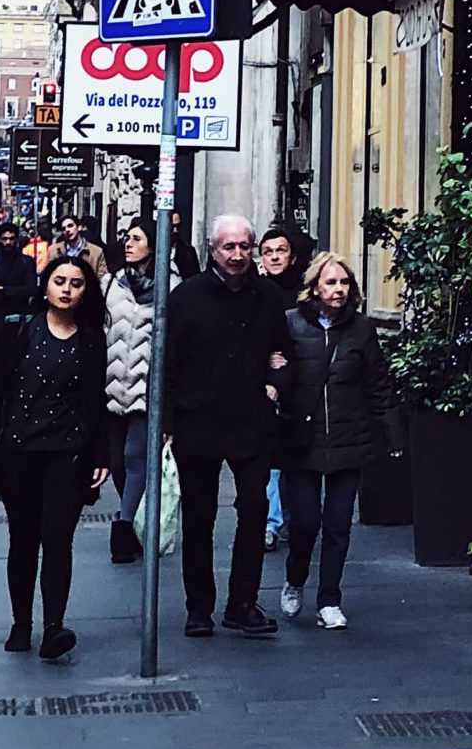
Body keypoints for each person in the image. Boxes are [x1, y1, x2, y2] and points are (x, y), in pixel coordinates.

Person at [0, 259, 110, 659]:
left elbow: (95, 402)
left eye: (76, 283)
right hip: (17, 453)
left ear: (85, 291)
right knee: (23, 541)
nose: (67, 289)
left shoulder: (91, 341)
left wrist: (101, 454)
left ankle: (54, 626)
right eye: (60, 282)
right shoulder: (20, 329)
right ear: (47, 287)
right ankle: (22, 624)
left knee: (58, 539)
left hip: (67, 455)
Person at [162, 214, 290, 638]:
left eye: (243, 247)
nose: (237, 255)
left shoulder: (269, 296)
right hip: (197, 421)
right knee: (198, 516)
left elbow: (284, 352)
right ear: (212, 249)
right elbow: (168, 362)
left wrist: (274, 384)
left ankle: (242, 602)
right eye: (228, 247)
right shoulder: (186, 297)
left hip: (251, 421)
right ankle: (199, 606)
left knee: (254, 509)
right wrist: (166, 421)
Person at [277, 255, 403, 629]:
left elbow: (378, 383)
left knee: (338, 524)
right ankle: (295, 579)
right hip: (303, 440)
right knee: (304, 522)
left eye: (344, 283)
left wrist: (393, 433)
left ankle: (329, 599)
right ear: (315, 286)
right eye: (331, 283)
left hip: (350, 438)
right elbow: (276, 374)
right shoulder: (292, 324)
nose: (338, 290)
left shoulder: (362, 329)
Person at [103, 222, 176, 565]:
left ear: (154, 245)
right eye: (127, 239)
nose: (128, 244)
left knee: (135, 458)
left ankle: (124, 525)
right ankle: (132, 517)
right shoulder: (110, 285)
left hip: (150, 391)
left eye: (136, 239)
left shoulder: (173, 287)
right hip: (112, 387)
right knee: (117, 463)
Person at [256, 229, 304, 548]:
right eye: (268, 251)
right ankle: (272, 522)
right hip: (265, 383)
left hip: (300, 382)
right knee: (270, 457)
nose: (274, 256)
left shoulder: (304, 294)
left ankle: (292, 517)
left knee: (295, 455)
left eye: (280, 251)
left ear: (292, 257)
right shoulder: (254, 292)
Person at [0, 225, 38, 352]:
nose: (8, 242)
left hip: (19, 320)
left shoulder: (27, 262)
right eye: (4, 239)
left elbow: (31, 289)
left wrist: (4, 290)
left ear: (16, 240)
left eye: (11, 238)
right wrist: (17, 292)